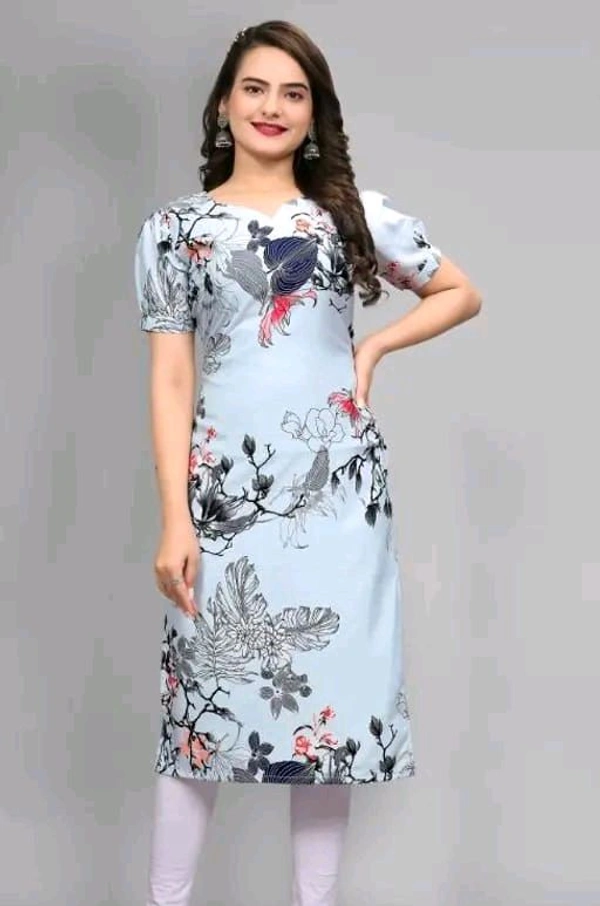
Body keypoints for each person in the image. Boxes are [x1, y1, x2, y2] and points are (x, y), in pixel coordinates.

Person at [133, 18, 482, 906]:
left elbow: (458, 291)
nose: (273, 107)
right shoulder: (176, 231)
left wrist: (372, 351)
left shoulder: (347, 217)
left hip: (338, 499)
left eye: (294, 94)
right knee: (196, 716)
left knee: (331, 717)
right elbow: (171, 377)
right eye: (255, 88)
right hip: (224, 499)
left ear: (315, 114)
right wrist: (175, 517)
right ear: (223, 103)